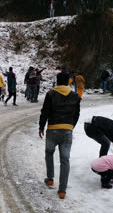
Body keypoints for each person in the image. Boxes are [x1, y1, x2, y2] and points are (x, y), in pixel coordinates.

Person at [39, 71, 81, 199]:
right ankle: (62, 190)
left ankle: (50, 178)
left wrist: (41, 126)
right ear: (68, 81)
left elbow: (45, 111)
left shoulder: (51, 94)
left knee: (49, 152)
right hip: (67, 130)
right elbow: (77, 114)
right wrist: (70, 126)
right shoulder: (75, 96)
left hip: (52, 129)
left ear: (57, 81)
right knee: (65, 160)